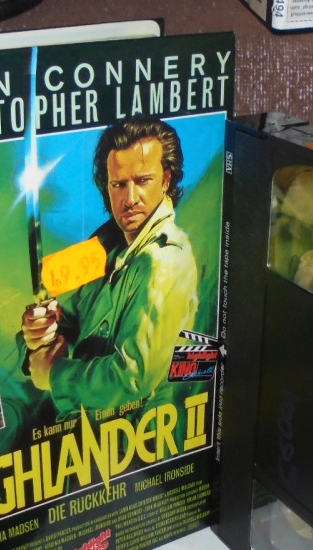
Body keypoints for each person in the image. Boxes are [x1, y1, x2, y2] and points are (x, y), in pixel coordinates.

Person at [20, 116, 199, 417]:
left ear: (166, 180)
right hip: (88, 430)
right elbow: (70, 321)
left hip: (139, 434)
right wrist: (41, 331)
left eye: (143, 181)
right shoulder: (106, 244)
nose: (130, 199)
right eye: (119, 184)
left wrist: (54, 374)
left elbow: (132, 379)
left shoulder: (165, 260)